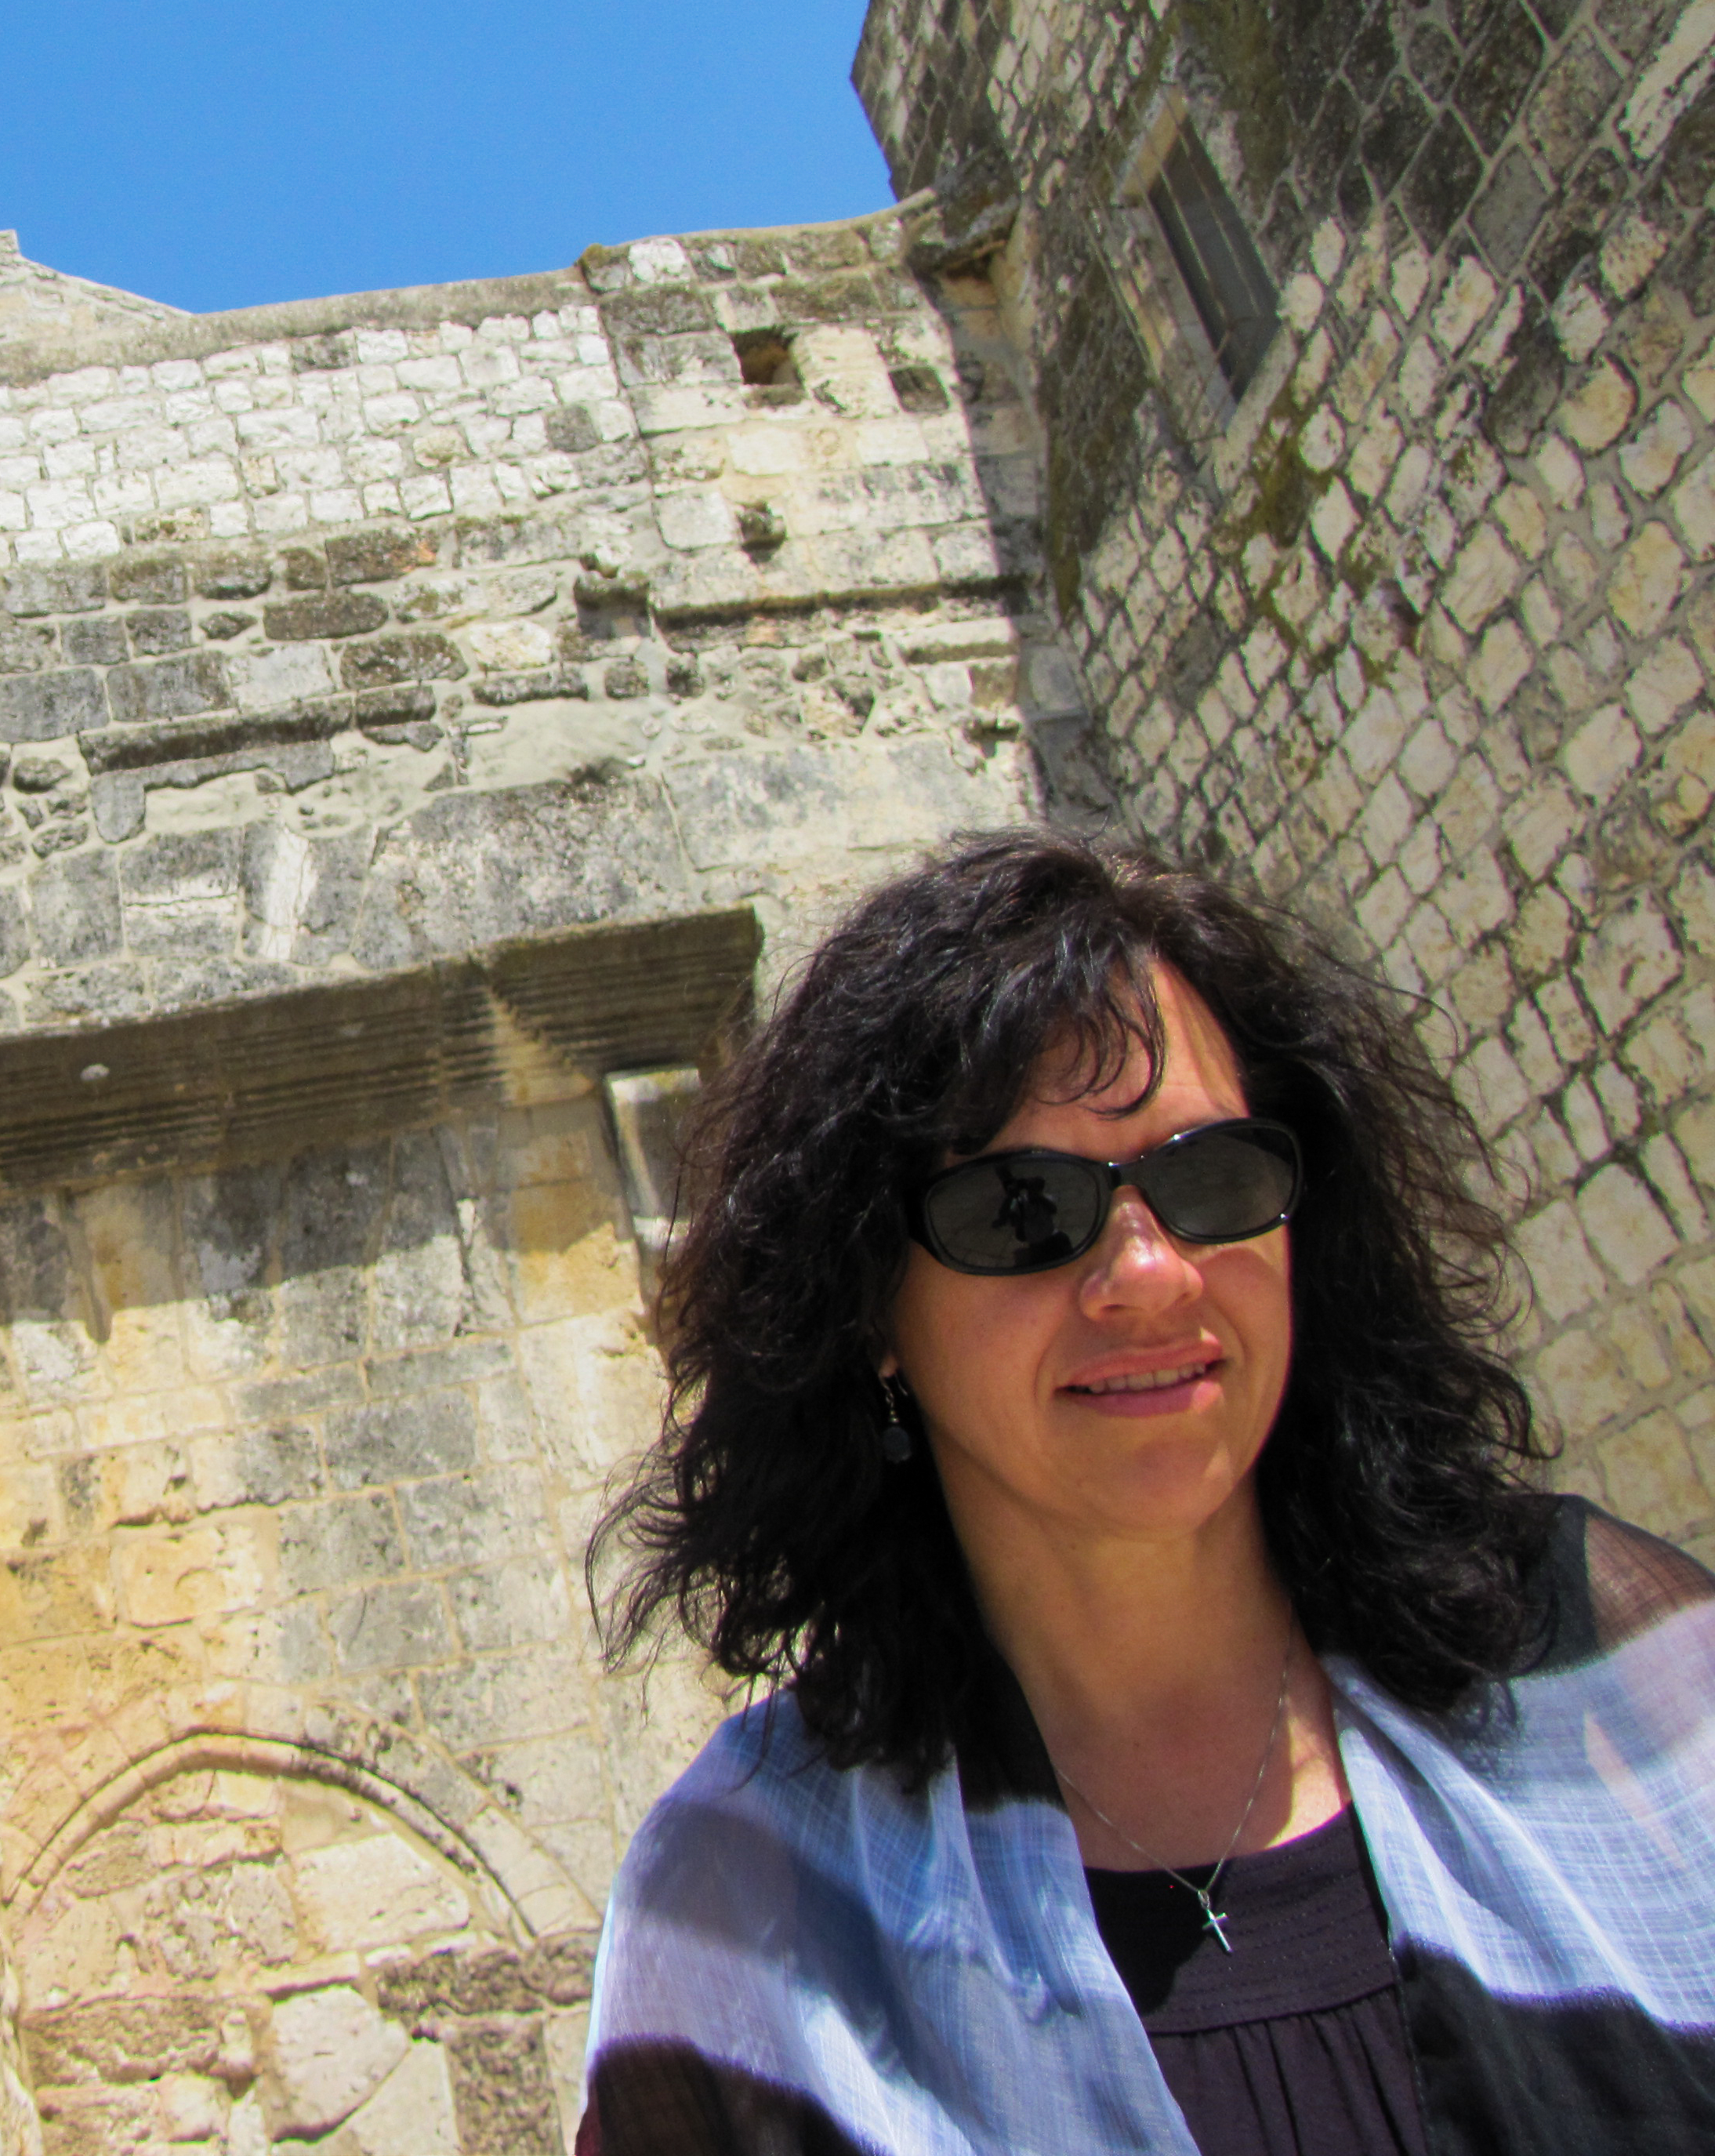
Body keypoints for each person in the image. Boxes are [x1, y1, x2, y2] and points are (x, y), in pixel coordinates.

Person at [580, 832, 1715, 2156]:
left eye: (1214, 1178)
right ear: (872, 1305)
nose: (1152, 1272)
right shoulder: (747, 1924)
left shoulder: (1626, 1686)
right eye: (1022, 1209)